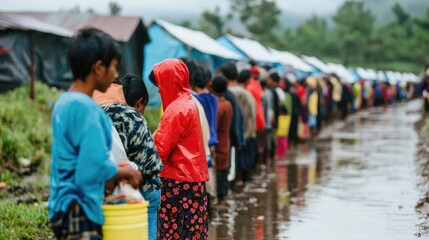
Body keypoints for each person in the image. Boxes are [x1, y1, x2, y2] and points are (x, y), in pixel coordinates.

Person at [48, 28, 142, 240]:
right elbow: (92, 167)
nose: (116, 75)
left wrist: (118, 168)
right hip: (79, 209)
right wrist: (126, 172)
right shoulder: (86, 109)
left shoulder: (64, 102)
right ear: (98, 68)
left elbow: (79, 160)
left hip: (62, 206)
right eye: (114, 67)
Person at [94, 74, 163, 240]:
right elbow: (152, 165)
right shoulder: (132, 117)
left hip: (105, 193)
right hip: (142, 194)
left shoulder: (95, 113)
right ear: (140, 102)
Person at [149, 58, 209, 240]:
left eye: (160, 83)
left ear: (169, 81)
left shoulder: (176, 110)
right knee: (191, 231)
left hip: (178, 182)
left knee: (173, 232)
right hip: (192, 179)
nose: (159, 89)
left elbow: (159, 151)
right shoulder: (188, 103)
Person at [210, 75, 233, 205]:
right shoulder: (228, 104)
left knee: (218, 178)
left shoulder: (218, 106)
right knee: (223, 175)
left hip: (218, 147)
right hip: (225, 144)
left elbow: (215, 127)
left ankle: (219, 205)